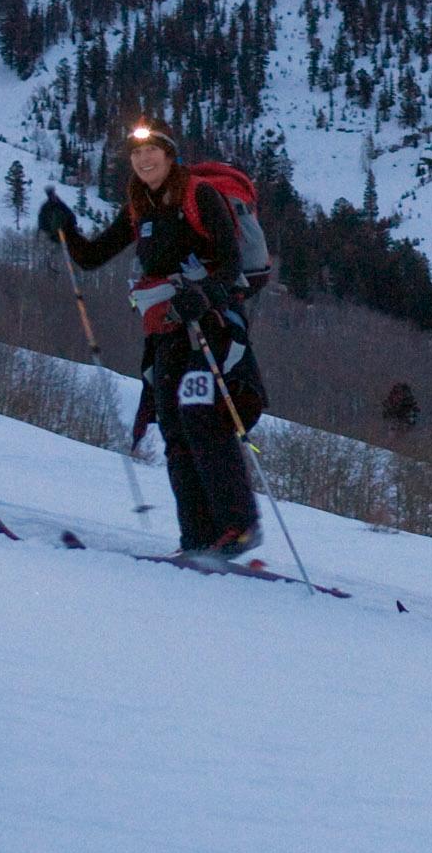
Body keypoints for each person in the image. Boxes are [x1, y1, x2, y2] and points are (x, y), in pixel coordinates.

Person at [38, 117, 267, 557]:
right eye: (136, 153)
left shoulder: (199, 195)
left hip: (209, 326)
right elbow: (92, 257)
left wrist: (202, 297)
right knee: (175, 425)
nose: (143, 159)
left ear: (169, 154)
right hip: (164, 332)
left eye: (152, 150)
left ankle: (239, 526)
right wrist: (63, 229)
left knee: (201, 413)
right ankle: (198, 539)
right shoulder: (140, 205)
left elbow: (231, 263)